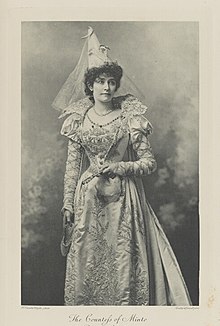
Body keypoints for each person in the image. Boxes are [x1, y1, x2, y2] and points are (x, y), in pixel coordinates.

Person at [53, 27, 192, 306]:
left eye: (111, 82)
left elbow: (148, 163)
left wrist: (121, 168)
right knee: (89, 261)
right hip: (89, 202)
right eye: (100, 82)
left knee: (122, 260)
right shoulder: (78, 118)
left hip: (124, 200)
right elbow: (72, 166)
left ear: (117, 85)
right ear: (90, 85)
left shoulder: (130, 117)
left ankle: (126, 318)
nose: (106, 87)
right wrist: (68, 204)